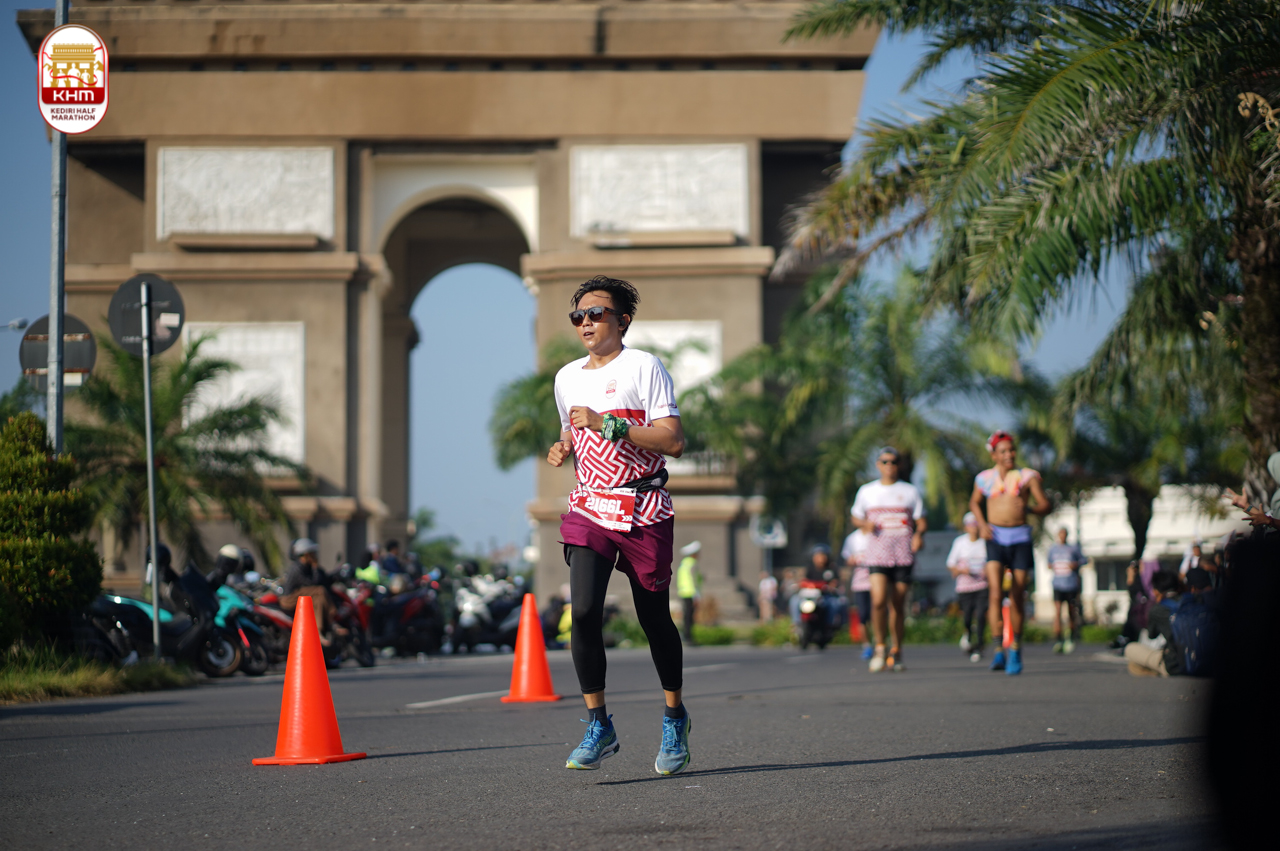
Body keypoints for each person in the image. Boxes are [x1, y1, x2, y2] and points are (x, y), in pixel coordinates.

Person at [547, 275, 690, 775]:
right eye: (578, 316)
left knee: (654, 619)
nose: (586, 323)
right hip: (591, 506)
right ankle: (598, 724)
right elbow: (571, 427)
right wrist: (563, 446)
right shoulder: (567, 377)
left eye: (596, 314)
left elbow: (673, 441)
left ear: (622, 320)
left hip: (643, 505)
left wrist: (607, 423)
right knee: (584, 611)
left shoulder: (643, 366)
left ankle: (674, 716)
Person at [970, 430, 1052, 676]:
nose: (1009, 454)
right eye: (1003, 451)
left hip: (1019, 538)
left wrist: (1030, 509)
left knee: (1017, 594)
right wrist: (982, 524)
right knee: (995, 593)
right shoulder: (985, 478)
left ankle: (1015, 647)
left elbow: (1045, 504)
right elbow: (974, 502)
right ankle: (998, 649)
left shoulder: (1027, 477)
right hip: (995, 538)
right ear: (994, 455)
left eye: (1012, 450)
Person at [851, 446, 926, 672]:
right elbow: (856, 517)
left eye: (893, 462)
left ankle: (897, 650)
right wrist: (865, 524)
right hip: (877, 554)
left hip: (902, 554)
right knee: (878, 601)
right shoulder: (867, 491)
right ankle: (880, 647)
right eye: (885, 462)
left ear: (899, 465)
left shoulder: (909, 491)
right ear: (878, 465)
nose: (889, 466)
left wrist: (919, 536)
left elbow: (921, 520)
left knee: (898, 604)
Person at [946, 513, 989, 663]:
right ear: (966, 527)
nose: (973, 528)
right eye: (970, 525)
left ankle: (980, 644)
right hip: (965, 587)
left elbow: (992, 563)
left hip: (982, 585)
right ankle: (968, 635)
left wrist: (988, 570)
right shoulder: (960, 543)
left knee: (981, 614)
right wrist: (961, 570)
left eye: (976, 524)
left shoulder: (984, 543)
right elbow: (950, 564)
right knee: (967, 616)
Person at [1124, 571, 1183, 676]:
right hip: (1201, 662)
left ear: (1156, 591)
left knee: (1130, 650)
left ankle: (1158, 670)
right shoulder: (1193, 601)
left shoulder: (1157, 609)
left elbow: (1152, 635)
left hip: (1174, 664)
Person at [280, 538, 336, 639]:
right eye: (312, 553)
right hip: (289, 599)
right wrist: (315, 567)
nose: (315, 556)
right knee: (319, 590)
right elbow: (311, 584)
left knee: (319, 599)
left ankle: (324, 627)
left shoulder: (307, 567)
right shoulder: (297, 568)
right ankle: (326, 622)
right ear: (306, 554)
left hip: (299, 595)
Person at [1047, 527, 1085, 654]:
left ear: (1067, 535)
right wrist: (1053, 566)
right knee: (1057, 611)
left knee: (1071, 612)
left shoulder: (1073, 548)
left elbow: (1084, 560)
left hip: (1071, 585)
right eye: (1060, 534)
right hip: (1058, 584)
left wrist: (1074, 564)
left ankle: (1071, 637)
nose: (1062, 536)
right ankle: (1058, 639)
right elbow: (1049, 563)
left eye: (1064, 534)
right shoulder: (1053, 549)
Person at [841, 529, 874, 660]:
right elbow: (847, 559)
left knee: (878, 613)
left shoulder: (878, 534)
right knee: (863, 615)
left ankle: (880, 643)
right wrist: (855, 560)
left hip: (877, 583)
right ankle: (867, 646)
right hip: (860, 583)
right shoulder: (852, 538)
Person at [676, 541, 703, 644]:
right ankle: (688, 637)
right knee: (689, 617)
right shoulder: (692, 563)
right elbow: (693, 580)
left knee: (686, 616)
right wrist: (697, 595)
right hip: (691, 593)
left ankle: (686, 635)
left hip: (683, 592)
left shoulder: (684, 563)